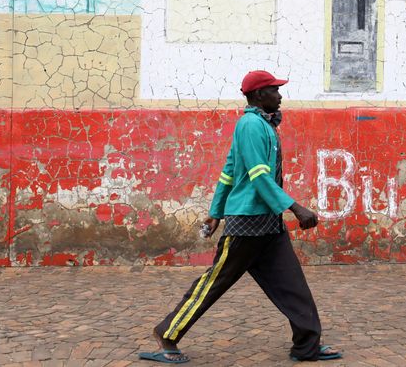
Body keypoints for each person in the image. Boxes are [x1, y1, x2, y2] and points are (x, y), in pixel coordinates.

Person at [139, 70, 342, 364]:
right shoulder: (250, 125)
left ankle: (306, 346)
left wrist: (214, 212)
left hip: (269, 226)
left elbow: (228, 170)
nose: (280, 95)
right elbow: (257, 176)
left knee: (293, 285)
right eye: (275, 89)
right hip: (246, 225)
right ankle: (167, 334)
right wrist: (295, 207)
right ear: (259, 95)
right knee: (213, 283)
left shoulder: (263, 125)